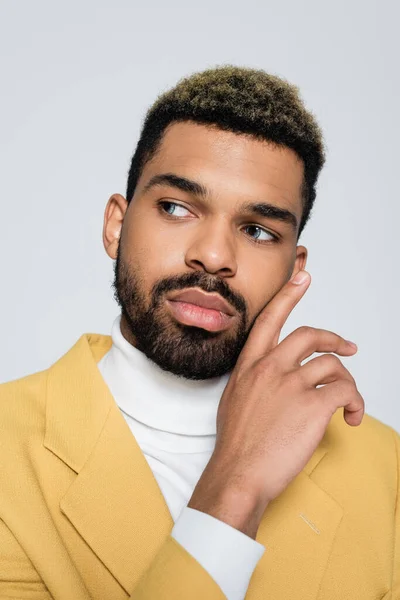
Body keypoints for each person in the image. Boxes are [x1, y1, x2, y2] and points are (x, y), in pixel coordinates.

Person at [0, 65, 398, 600]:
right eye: (176, 207)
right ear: (116, 226)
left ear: (293, 268)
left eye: (258, 230)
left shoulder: (383, 468)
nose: (213, 256)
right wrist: (236, 486)